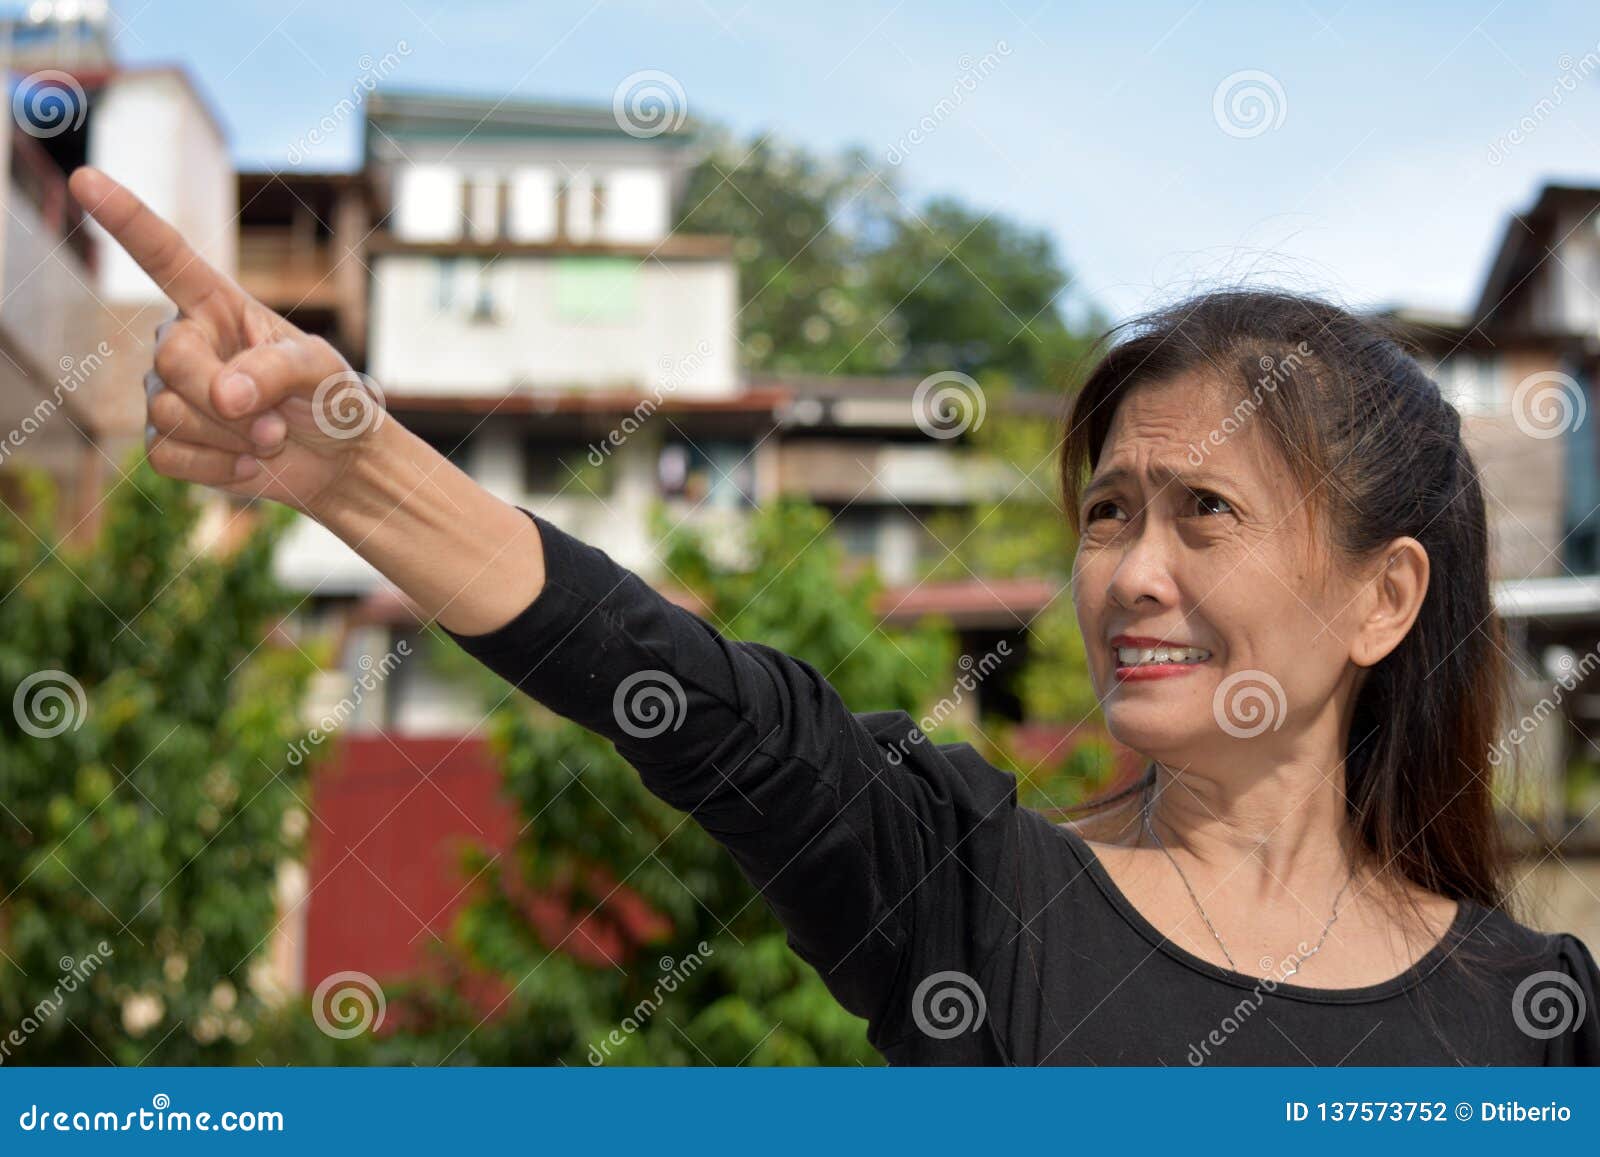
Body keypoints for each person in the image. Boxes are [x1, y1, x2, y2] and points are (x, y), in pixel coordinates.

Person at [68, 166, 1599, 1065]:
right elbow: (703, 699)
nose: (1133, 573)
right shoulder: (976, 892)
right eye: (1108, 512)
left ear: (1384, 595)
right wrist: (361, 469)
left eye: (1207, 513)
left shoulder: (1538, 1022)